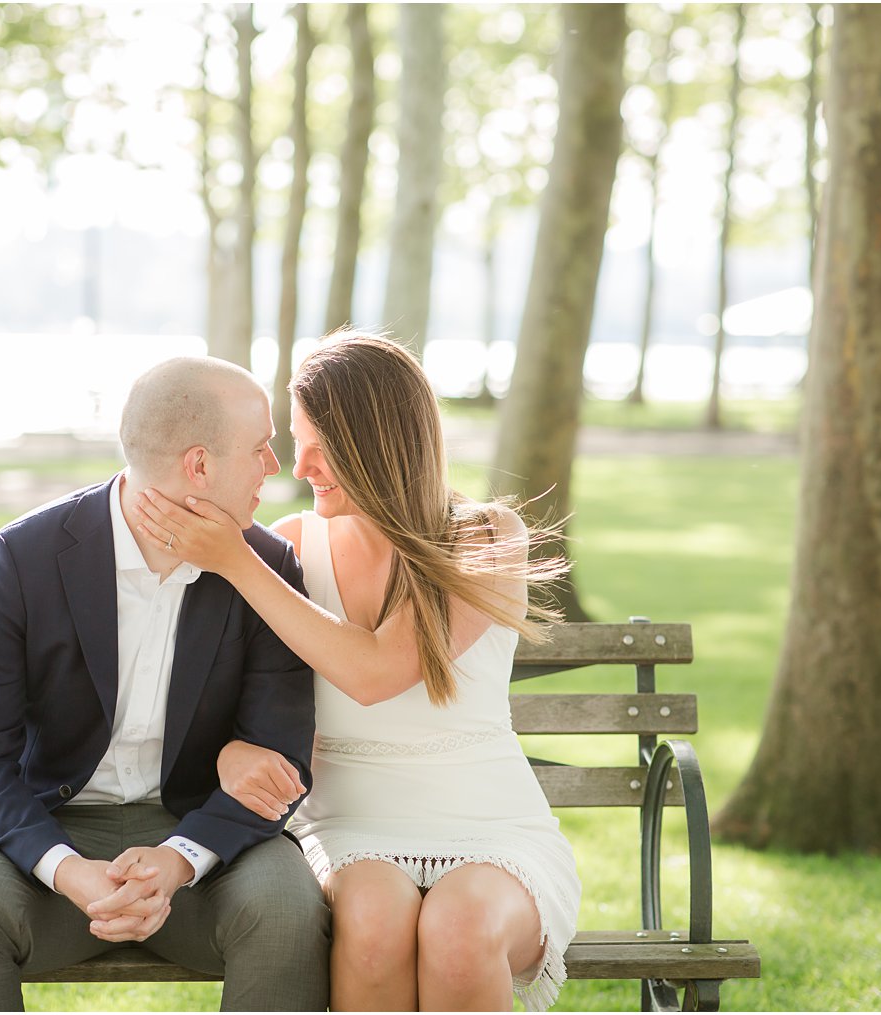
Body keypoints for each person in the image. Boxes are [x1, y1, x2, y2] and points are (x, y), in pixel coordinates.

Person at [133, 332, 581, 1012]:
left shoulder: (484, 536)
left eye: (323, 443)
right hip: (345, 825)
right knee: (371, 924)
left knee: (458, 931)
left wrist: (237, 560)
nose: (299, 464)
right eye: (294, 439)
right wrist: (231, 750)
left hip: (492, 827)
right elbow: (223, 706)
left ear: (384, 441)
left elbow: (377, 672)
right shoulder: (287, 547)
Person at [0, 356, 330, 1011]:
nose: (273, 466)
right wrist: (67, 869)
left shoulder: (266, 567)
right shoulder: (22, 558)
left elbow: (278, 756)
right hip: (47, 831)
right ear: (199, 465)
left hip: (203, 837)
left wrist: (180, 857)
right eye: (260, 448)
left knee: (288, 907)